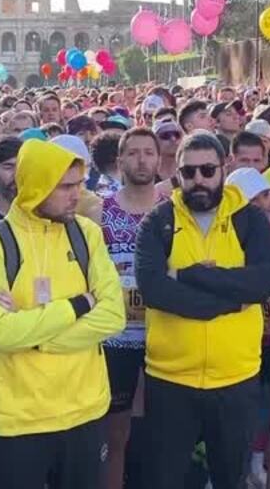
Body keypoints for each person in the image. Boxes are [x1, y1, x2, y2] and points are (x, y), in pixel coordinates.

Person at [0, 138, 124, 489]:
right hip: (14, 420)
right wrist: (78, 305)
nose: (77, 195)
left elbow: (114, 317)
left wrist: (35, 338)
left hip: (83, 411)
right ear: (37, 184)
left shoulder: (87, 234)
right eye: (66, 186)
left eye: (80, 185)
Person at [135, 131, 270, 489]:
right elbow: (155, 291)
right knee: (164, 479)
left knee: (230, 478)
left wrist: (187, 275)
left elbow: (263, 282)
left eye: (207, 170)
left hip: (235, 378)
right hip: (171, 380)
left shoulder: (250, 220)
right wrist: (230, 301)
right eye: (189, 172)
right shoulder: (157, 222)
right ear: (177, 174)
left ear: (224, 168)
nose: (198, 180)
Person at [100, 127, 161, 489]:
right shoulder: (99, 210)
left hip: (165, 338)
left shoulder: (173, 210)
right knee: (114, 434)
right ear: (120, 160)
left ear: (158, 158)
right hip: (114, 341)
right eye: (133, 153)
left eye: (148, 152)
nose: (141, 160)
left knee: (162, 432)